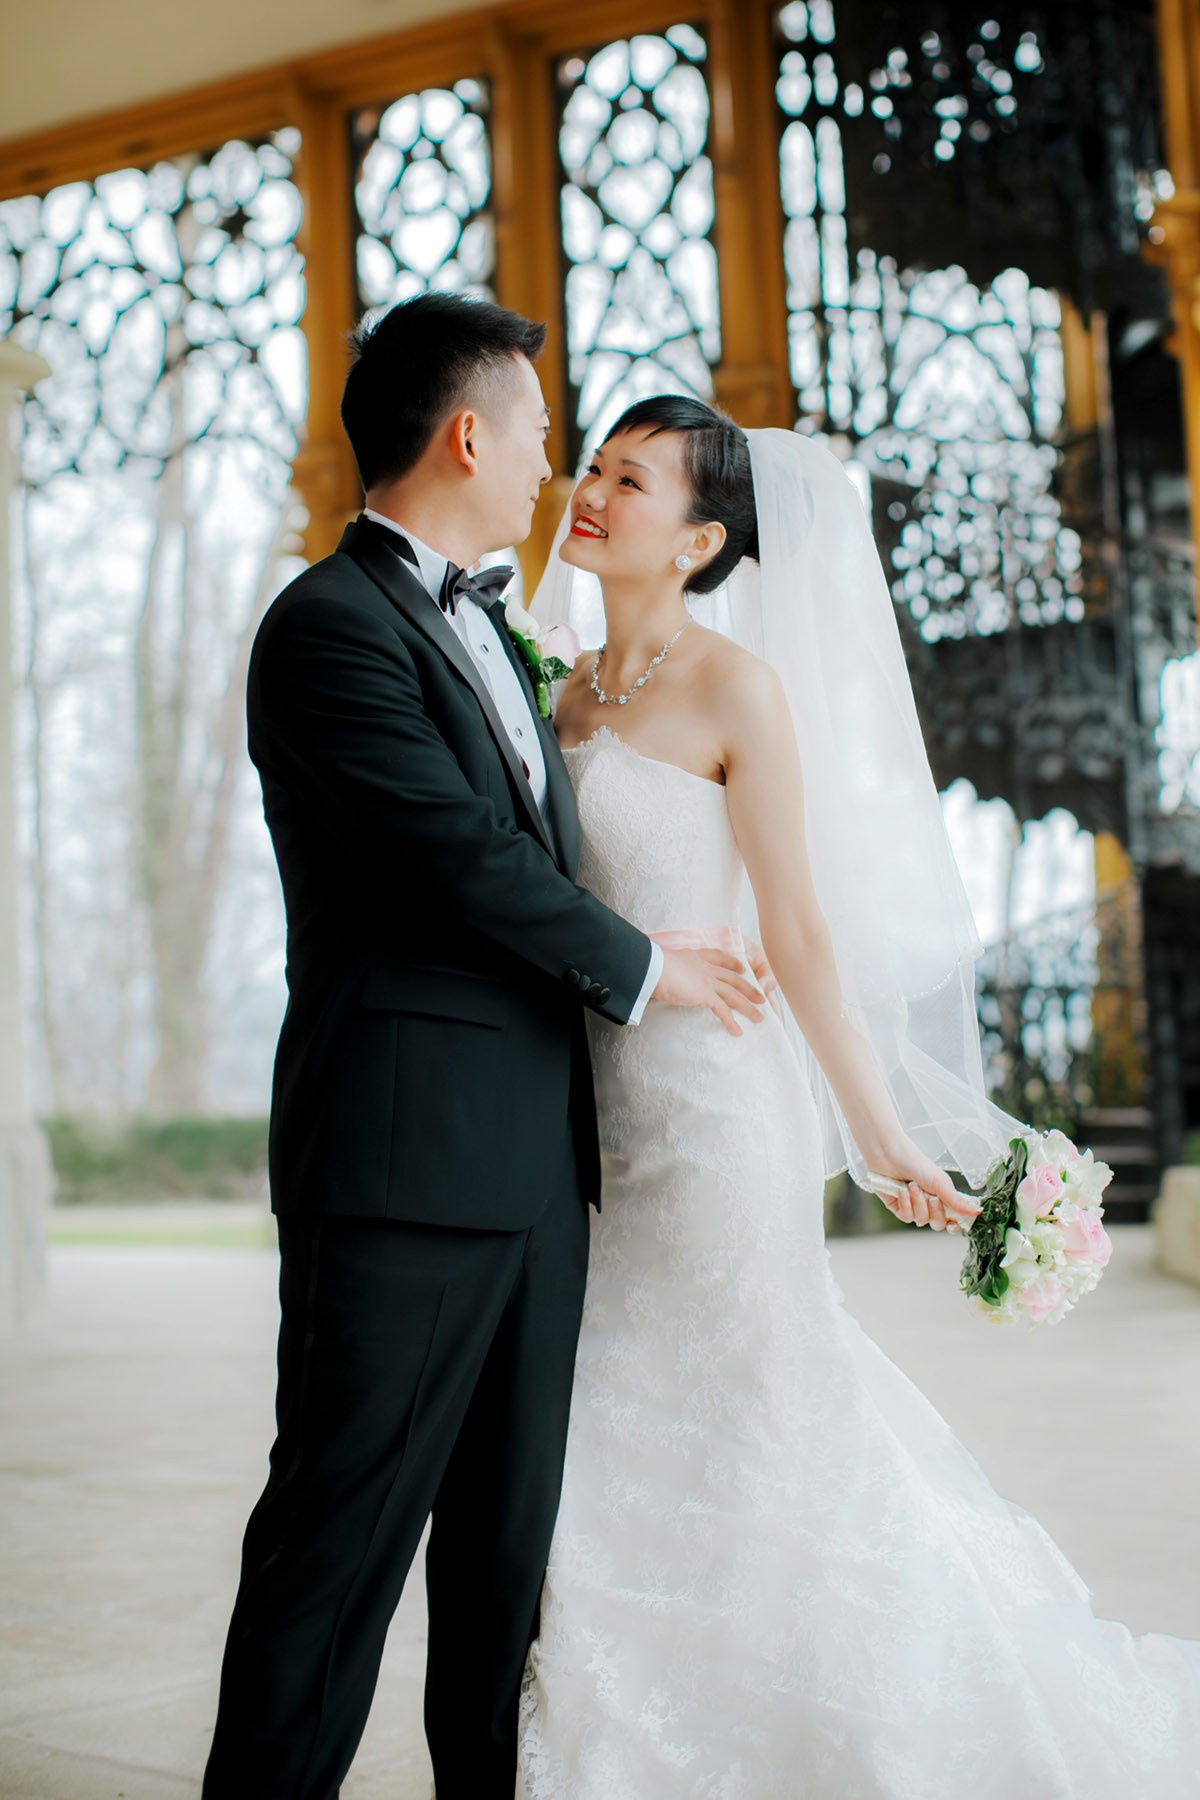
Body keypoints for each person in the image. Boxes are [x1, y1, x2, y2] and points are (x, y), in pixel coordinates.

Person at [516, 396, 1200, 1797]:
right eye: (592, 464)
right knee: (610, 1413)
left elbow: (800, 934)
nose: (589, 491)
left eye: (628, 480)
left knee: (750, 1403)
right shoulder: (561, 688)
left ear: (701, 539)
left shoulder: (736, 691)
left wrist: (882, 1133)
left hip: (715, 1121)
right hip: (593, 1118)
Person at [201, 298, 775, 1800]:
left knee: (505, 1583)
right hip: (399, 1175)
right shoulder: (328, 629)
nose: (548, 467)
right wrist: (651, 966)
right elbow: (461, 860)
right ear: (468, 433)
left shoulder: (496, 632)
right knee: (335, 1553)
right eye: (535, 432)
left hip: (538, 1179)